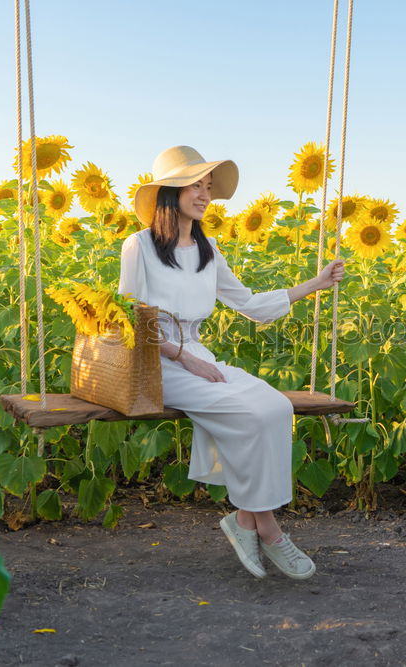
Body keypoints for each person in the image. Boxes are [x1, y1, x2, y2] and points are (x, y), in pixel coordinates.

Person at [118, 146, 345, 580]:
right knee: (249, 412)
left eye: (208, 187)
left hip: (197, 355)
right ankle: (272, 531)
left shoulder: (208, 248)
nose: (205, 195)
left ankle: (244, 520)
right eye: (194, 186)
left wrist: (314, 284)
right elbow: (133, 320)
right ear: (169, 192)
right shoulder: (140, 245)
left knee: (276, 407)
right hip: (156, 363)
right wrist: (184, 358)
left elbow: (251, 306)